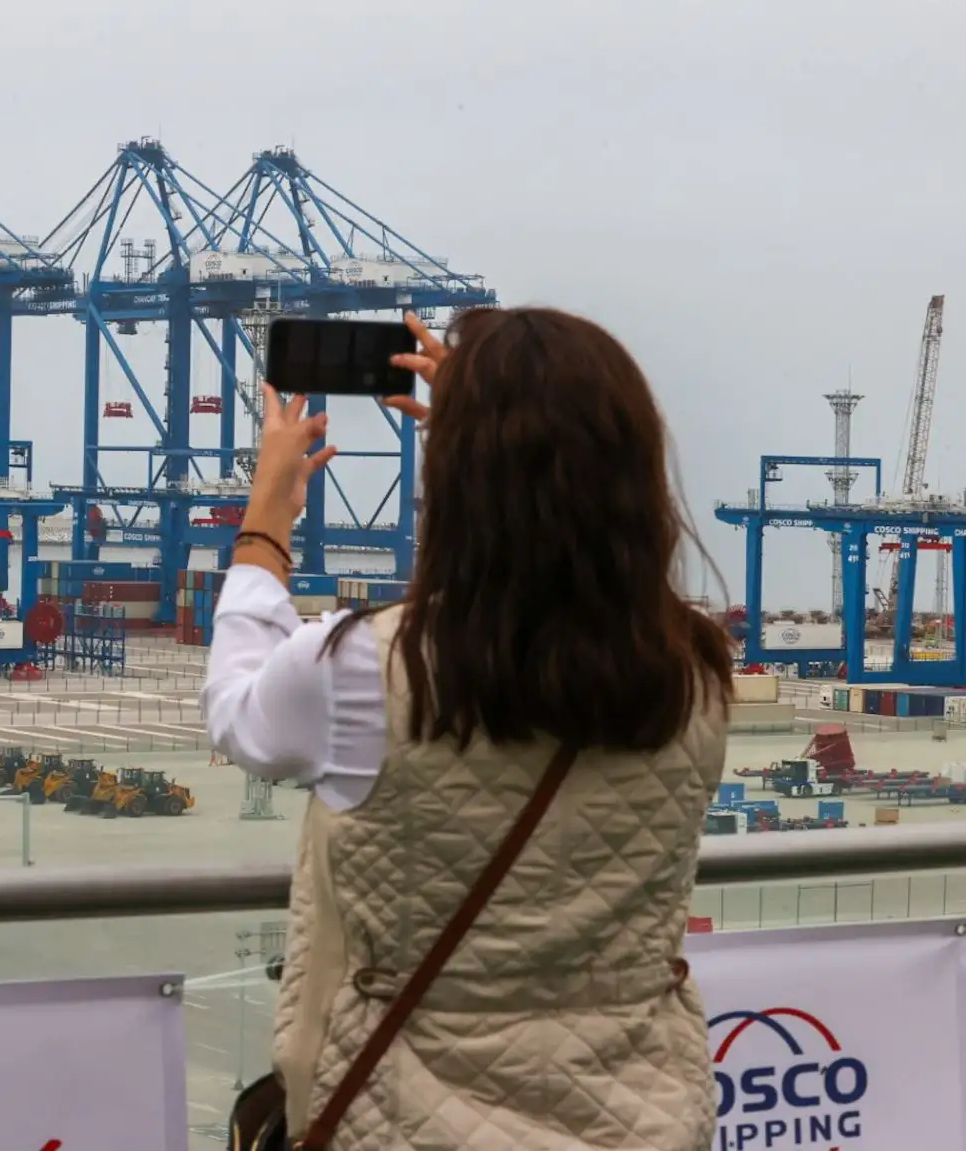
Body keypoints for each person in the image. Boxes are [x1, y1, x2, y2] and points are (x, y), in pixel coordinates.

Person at [203, 308, 731, 1150]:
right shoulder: (698, 673)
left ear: (452, 484)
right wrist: (498, 436)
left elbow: (236, 713)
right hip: (642, 1115)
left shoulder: (360, 668)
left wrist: (264, 527)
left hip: (407, 1119)